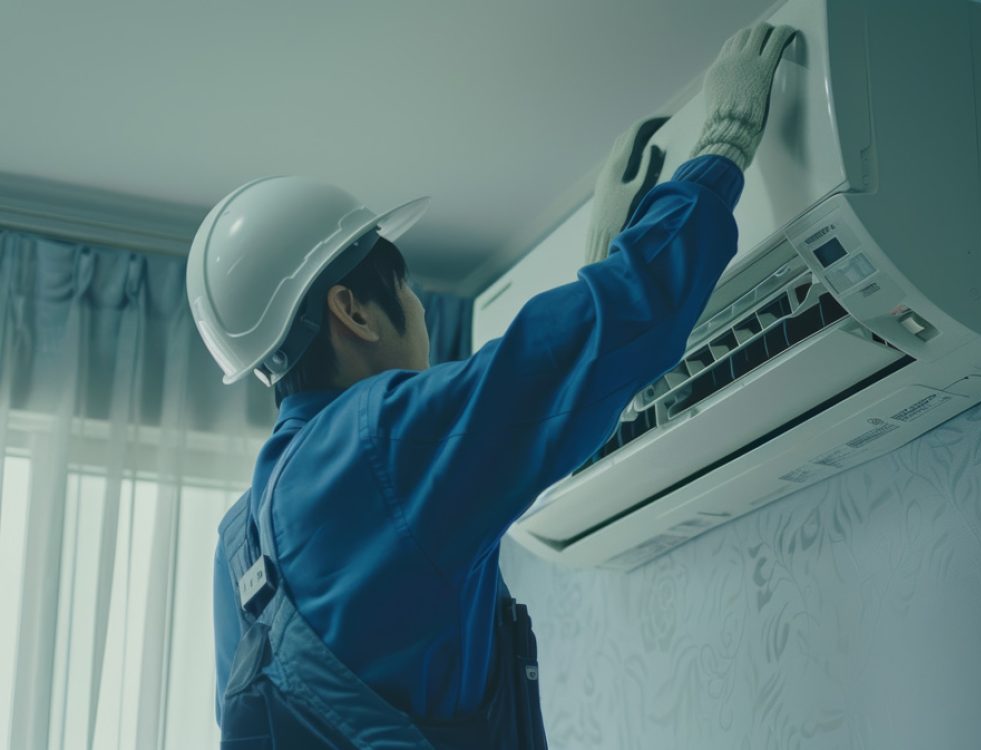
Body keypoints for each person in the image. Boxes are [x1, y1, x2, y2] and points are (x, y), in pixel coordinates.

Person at [190, 22, 795, 750]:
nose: (418, 311)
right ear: (352, 311)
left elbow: (537, 414)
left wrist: (593, 265)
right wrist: (723, 143)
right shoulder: (383, 444)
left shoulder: (240, 548)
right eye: (407, 290)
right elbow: (628, 316)